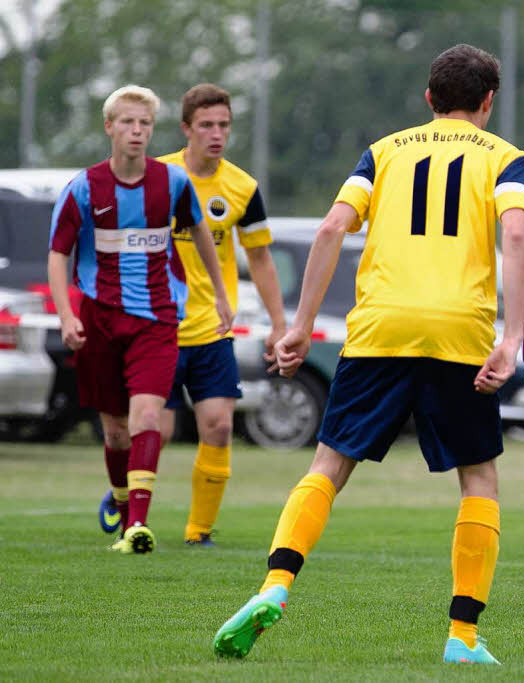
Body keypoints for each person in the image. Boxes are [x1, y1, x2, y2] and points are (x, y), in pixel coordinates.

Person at [212, 44, 524, 664]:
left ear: (428, 100)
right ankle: (463, 638)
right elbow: (516, 233)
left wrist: (300, 326)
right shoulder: (507, 159)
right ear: (488, 101)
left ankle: (274, 587)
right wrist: (511, 337)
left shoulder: (385, 150)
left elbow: (332, 228)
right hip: (458, 331)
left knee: (328, 465)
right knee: (479, 477)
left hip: (380, 326)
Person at [48, 85, 233, 554]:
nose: (137, 131)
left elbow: (199, 234)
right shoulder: (84, 188)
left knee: (147, 415)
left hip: (157, 318)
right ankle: (120, 494)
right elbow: (58, 255)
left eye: (145, 124)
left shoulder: (171, 183)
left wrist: (220, 297)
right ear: (109, 127)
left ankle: (136, 526)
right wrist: (67, 316)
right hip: (100, 320)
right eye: (128, 122)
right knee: (114, 431)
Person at [156, 83, 286, 547]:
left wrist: (279, 324)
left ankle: (199, 531)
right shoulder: (158, 177)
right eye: (206, 125)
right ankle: (129, 509)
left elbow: (262, 259)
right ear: (186, 128)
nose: (216, 134)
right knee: (156, 430)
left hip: (213, 329)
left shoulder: (242, 188)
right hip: (157, 328)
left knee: (218, 426)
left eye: (224, 125)